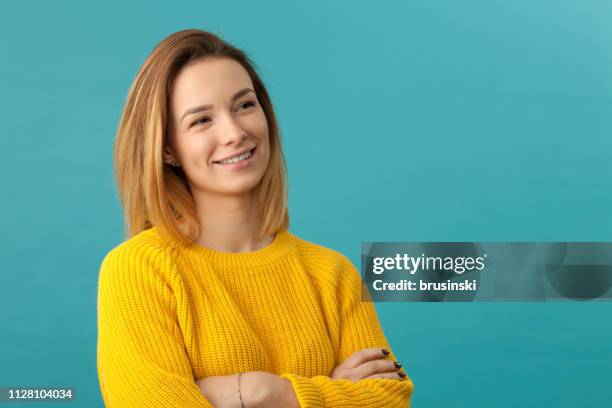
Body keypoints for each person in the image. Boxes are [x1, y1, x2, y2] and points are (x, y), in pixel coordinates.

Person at [97, 29, 414, 408]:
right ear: (167, 149)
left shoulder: (333, 275)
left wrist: (270, 394)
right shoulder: (138, 270)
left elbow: (391, 399)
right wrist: (331, 392)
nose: (234, 132)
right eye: (201, 121)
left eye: (244, 105)